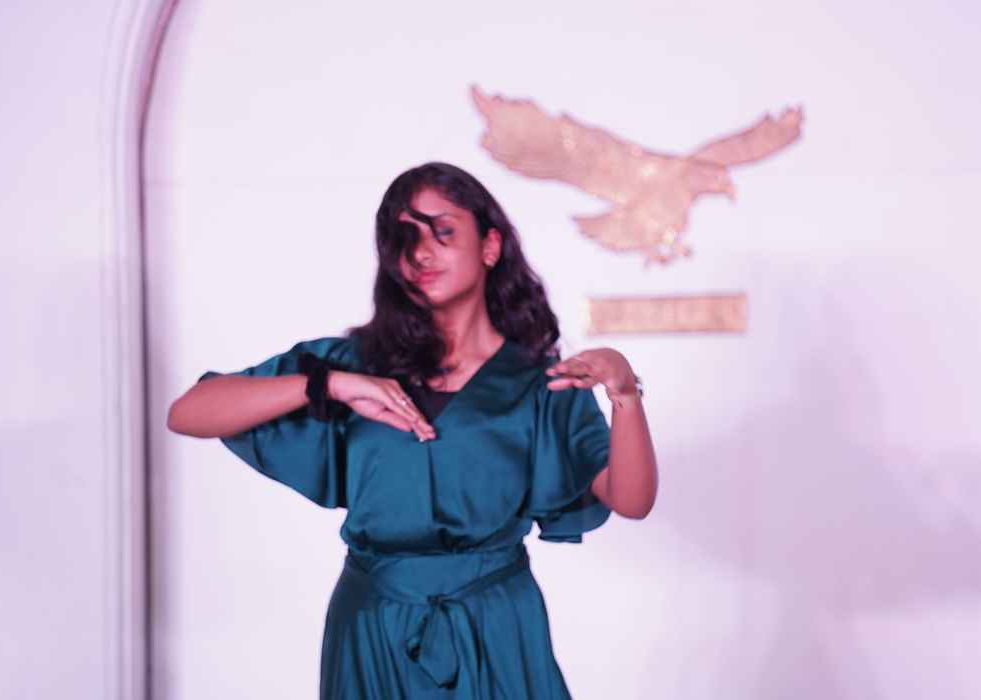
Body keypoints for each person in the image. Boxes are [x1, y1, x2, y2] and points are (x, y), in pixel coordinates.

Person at [167, 161, 658, 699]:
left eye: (443, 232)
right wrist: (329, 385)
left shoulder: (541, 382)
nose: (421, 254)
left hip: (494, 623)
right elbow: (189, 412)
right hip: (373, 626)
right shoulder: (349, 364)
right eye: (405, 239)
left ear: (490, 245)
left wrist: (624, 395)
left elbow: (631, 500)